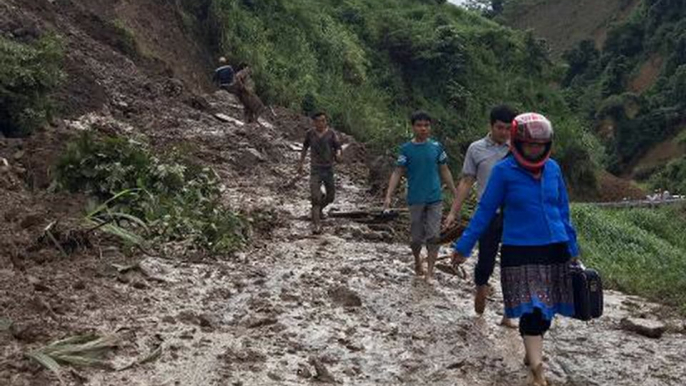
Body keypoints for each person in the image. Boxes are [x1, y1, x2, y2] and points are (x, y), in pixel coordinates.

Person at [452, 113, 580, 386]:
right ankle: (537, 370)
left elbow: (563, 210)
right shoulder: (503, 171)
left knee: (546, 310)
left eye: (540, 144)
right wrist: (464, 245)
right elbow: (485, 211)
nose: (535, 149)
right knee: (532, 309)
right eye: (530, 144)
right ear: (517, 143)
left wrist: (572, 245)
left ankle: (531, 348)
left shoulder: (554, 169)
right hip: (520, 251)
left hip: (554, 249)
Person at [444, 105, 518, 328]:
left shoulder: (519, 150)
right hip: (488, 213)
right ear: (491, 125)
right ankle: (481, 286)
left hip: (514, 215)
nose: (504, 132)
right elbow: (467, 181)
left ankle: (509, 312)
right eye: (500, 127)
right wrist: (453, 212)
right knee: (485, 258)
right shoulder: (476, 149)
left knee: (512, 262)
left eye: (508, 128)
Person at [383, 111, 457, 282]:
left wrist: (454, 192)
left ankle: (430, 272)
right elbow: (397, 172)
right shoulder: (406, 149)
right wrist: (388, 195)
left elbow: (444, 170)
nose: (423, 129)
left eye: (426, 125)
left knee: (433, 236)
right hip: (415, 198)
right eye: (419, 125)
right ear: (413, 127)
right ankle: (417, 260)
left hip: (434, 197)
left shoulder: (437, 147)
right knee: (416, 238)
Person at [297, 112, 342, 234]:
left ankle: (317, 210)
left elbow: (338, 147)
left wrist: (338, 154)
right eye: (318, 121)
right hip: (315, 169)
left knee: (331, 196)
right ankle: (316, 224)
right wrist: (300, 163)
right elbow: (305, 148)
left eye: (323, 120)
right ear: (314, 122)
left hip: (328, 169)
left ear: (326, 121)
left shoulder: (332, 134)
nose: (321, 123)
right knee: (315, 197)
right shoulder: (310, 134)